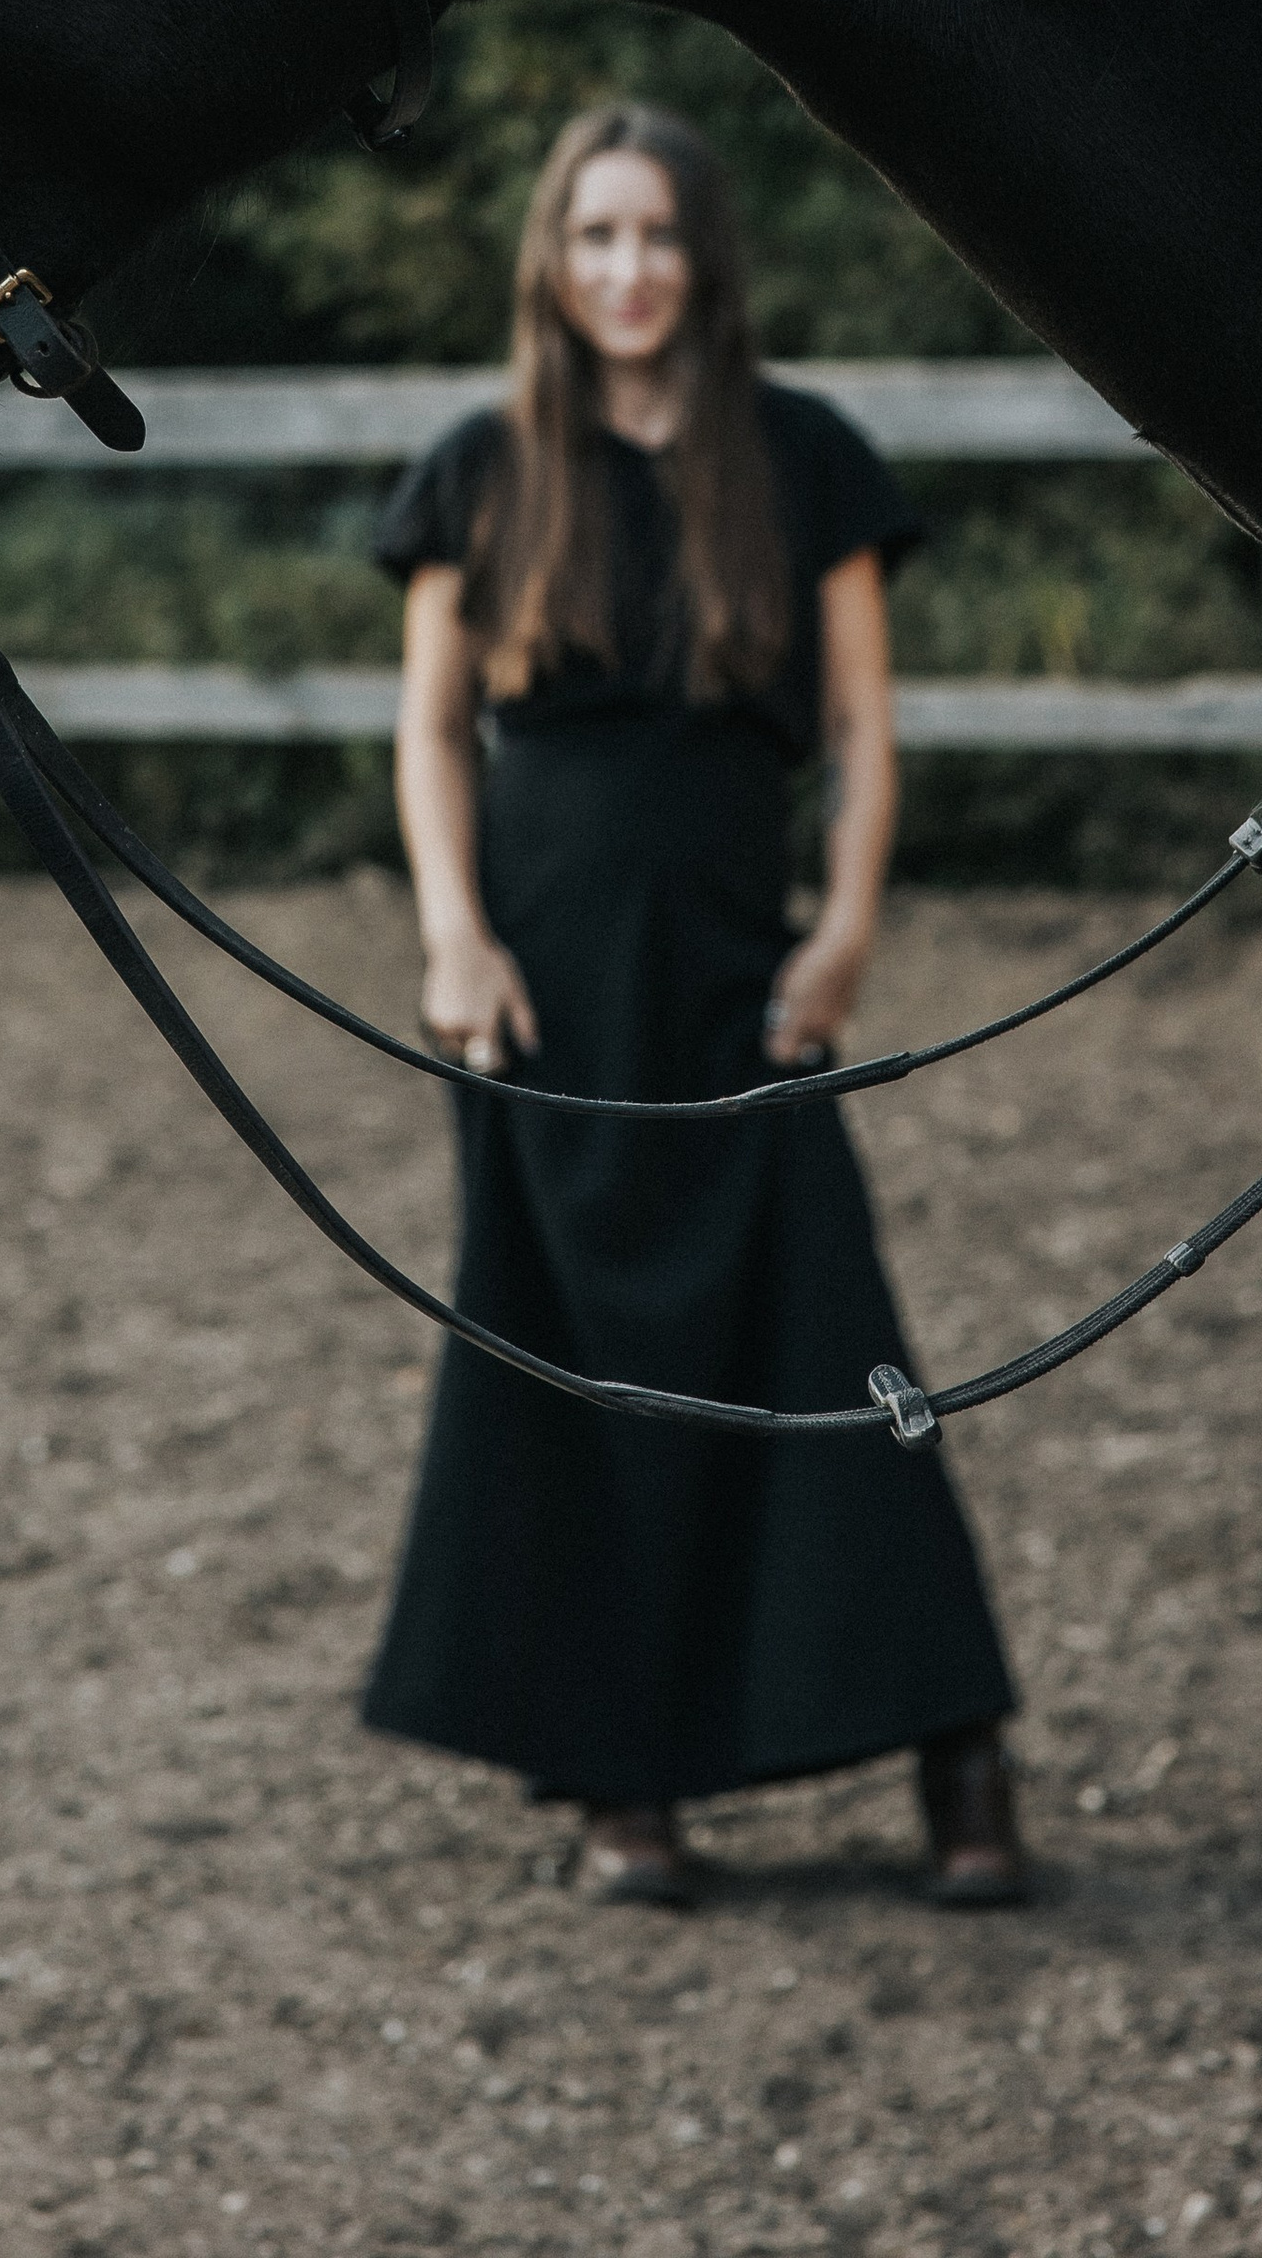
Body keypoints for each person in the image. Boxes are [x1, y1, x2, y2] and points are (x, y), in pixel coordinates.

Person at [361, 102, 1023, 1908]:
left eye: (656, 237)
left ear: (705, 260)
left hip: (745, 984)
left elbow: (871, 734)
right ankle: (616, 1779)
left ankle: (956, 1744)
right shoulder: (485, 467)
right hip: (540, 999)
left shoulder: (802, 458)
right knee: (565, 1374)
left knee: (824, 1343)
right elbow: (430, 731)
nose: (627, 270)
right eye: (595, 238)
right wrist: (452, 936)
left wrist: (847, 935)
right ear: (551, 265)